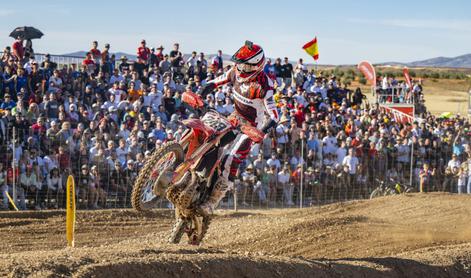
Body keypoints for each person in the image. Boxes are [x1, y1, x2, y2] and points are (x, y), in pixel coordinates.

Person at [198, 41, 279, 215]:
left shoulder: (264, 86)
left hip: (251, 127)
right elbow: (214, 83)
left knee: (230, 159)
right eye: (240, 64)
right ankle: (196, 179)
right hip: (234, 119)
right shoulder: (234, 72)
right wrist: (201, 94)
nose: (242, 69)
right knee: (208, 139)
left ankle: (212, 202)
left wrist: (261, 132)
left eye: (246, 66)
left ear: (256, 66)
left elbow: (274, 116)